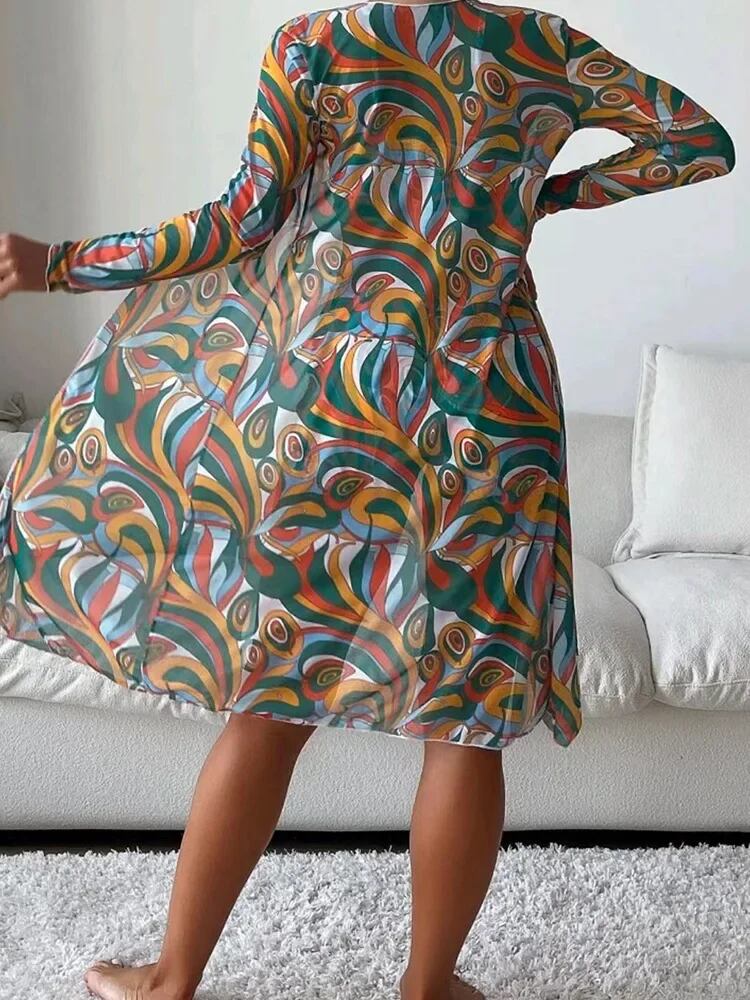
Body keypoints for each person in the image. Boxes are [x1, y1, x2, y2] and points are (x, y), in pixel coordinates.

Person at [0, 1, 735, 998]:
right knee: (465, 721)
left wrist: (59, 264)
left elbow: (241, 220)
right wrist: (540, 193)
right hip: (489, 409)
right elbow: (699, 143)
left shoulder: (313, 45)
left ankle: (172, 979)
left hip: (330, 407)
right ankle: (427, 988)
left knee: (270, 701)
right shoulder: (542, 46)